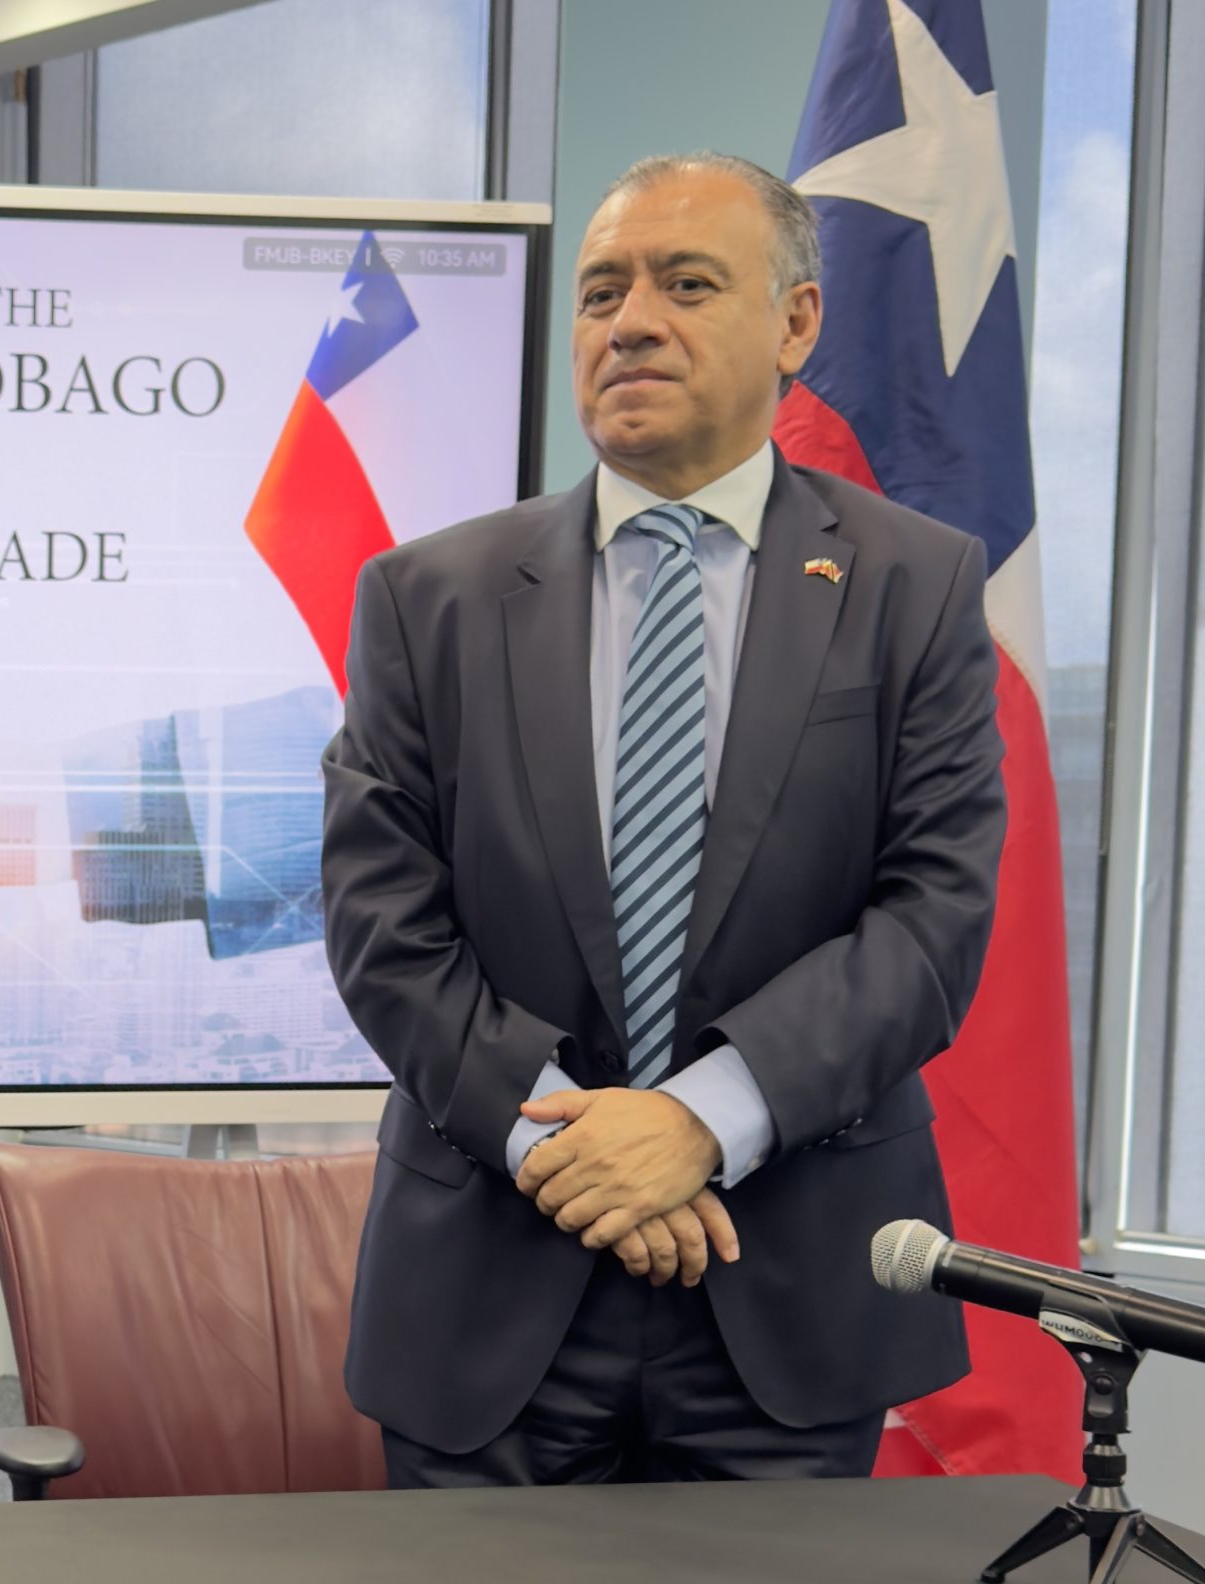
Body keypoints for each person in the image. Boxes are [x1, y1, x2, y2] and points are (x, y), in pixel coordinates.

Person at [320, 152, 1002, 1485]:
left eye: (686, 284)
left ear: (795, 324)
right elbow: (379, 921)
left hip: (791, 1290)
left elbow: (932, 920)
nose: (629, 321)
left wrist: (697, 1123)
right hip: (489, 1288)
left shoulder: (914, 587)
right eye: (601, 292)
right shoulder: (426, 598)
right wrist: (578, 1151)